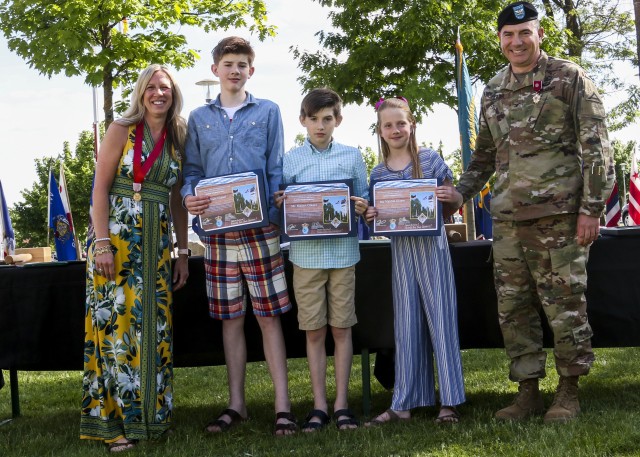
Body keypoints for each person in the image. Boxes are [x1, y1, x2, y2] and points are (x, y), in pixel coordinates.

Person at [451, 1, 614, 423]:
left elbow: (597, 146)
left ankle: (569, 392)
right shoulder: (493, 89)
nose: (517, 41)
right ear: (500, 39)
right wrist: (457, 195)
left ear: (539, 34)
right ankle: (527, 394)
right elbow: (483, 158)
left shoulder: (568, 78)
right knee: (514, 310)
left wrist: (591, 209)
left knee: (565, 307)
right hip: (506, 222)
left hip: (559, 218)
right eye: (508, 34)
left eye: (525, 32)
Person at [181, 36, 297, 436]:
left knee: (268, 317)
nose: (235, 70)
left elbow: (276, 167)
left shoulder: (268, 111)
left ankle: (283, 407)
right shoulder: (199, 117)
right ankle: (237, 405)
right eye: (228, 63)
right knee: (230, 319)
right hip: (216, 234)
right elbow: (192, 172)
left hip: (259, 229)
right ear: (215, 70)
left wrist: (277, 213)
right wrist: (190, 196)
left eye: (242, 64)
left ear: (251, 69)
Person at [80, 64, 190, 452]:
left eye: (166, 88)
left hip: (158, 247)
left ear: (174, 94)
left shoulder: (178, 136)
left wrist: (182, 250)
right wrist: (103, 243)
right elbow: (99, 190)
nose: (159, 93)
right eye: (152, 87)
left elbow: (177, 199)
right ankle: (115, 426)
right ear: (141, 92)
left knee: (154, 332)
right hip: (119, 242)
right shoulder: (121, 129)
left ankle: (151, 419)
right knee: (117, 330)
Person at [363, 97, 466, 426]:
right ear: (380, 131)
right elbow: (373, 219)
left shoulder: (430, 160)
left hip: (433, 249)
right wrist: (371, 215)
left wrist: (453, 197)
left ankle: (449, 401)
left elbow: (452, 203)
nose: (395, 130)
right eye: (388, 125)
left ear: (412, 125)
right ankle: (405, 401)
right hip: (402, 252)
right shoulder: (378, 172)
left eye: (400, 123)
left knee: (441, 322)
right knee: (406, 327)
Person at [274, 88, 369, 432]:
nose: (320, 125)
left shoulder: (352, 156)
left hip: (343, 255)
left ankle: (343, 404)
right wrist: (283, 202)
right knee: (313, 332)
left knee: (342, 328)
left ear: (338, 121)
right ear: (303, 120)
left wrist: (361, 206)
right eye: (313, 119)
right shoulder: (291, 159)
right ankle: (319, 406)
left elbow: (365, 201)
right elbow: (282, 205)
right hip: (305, 257)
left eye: (327, 118)